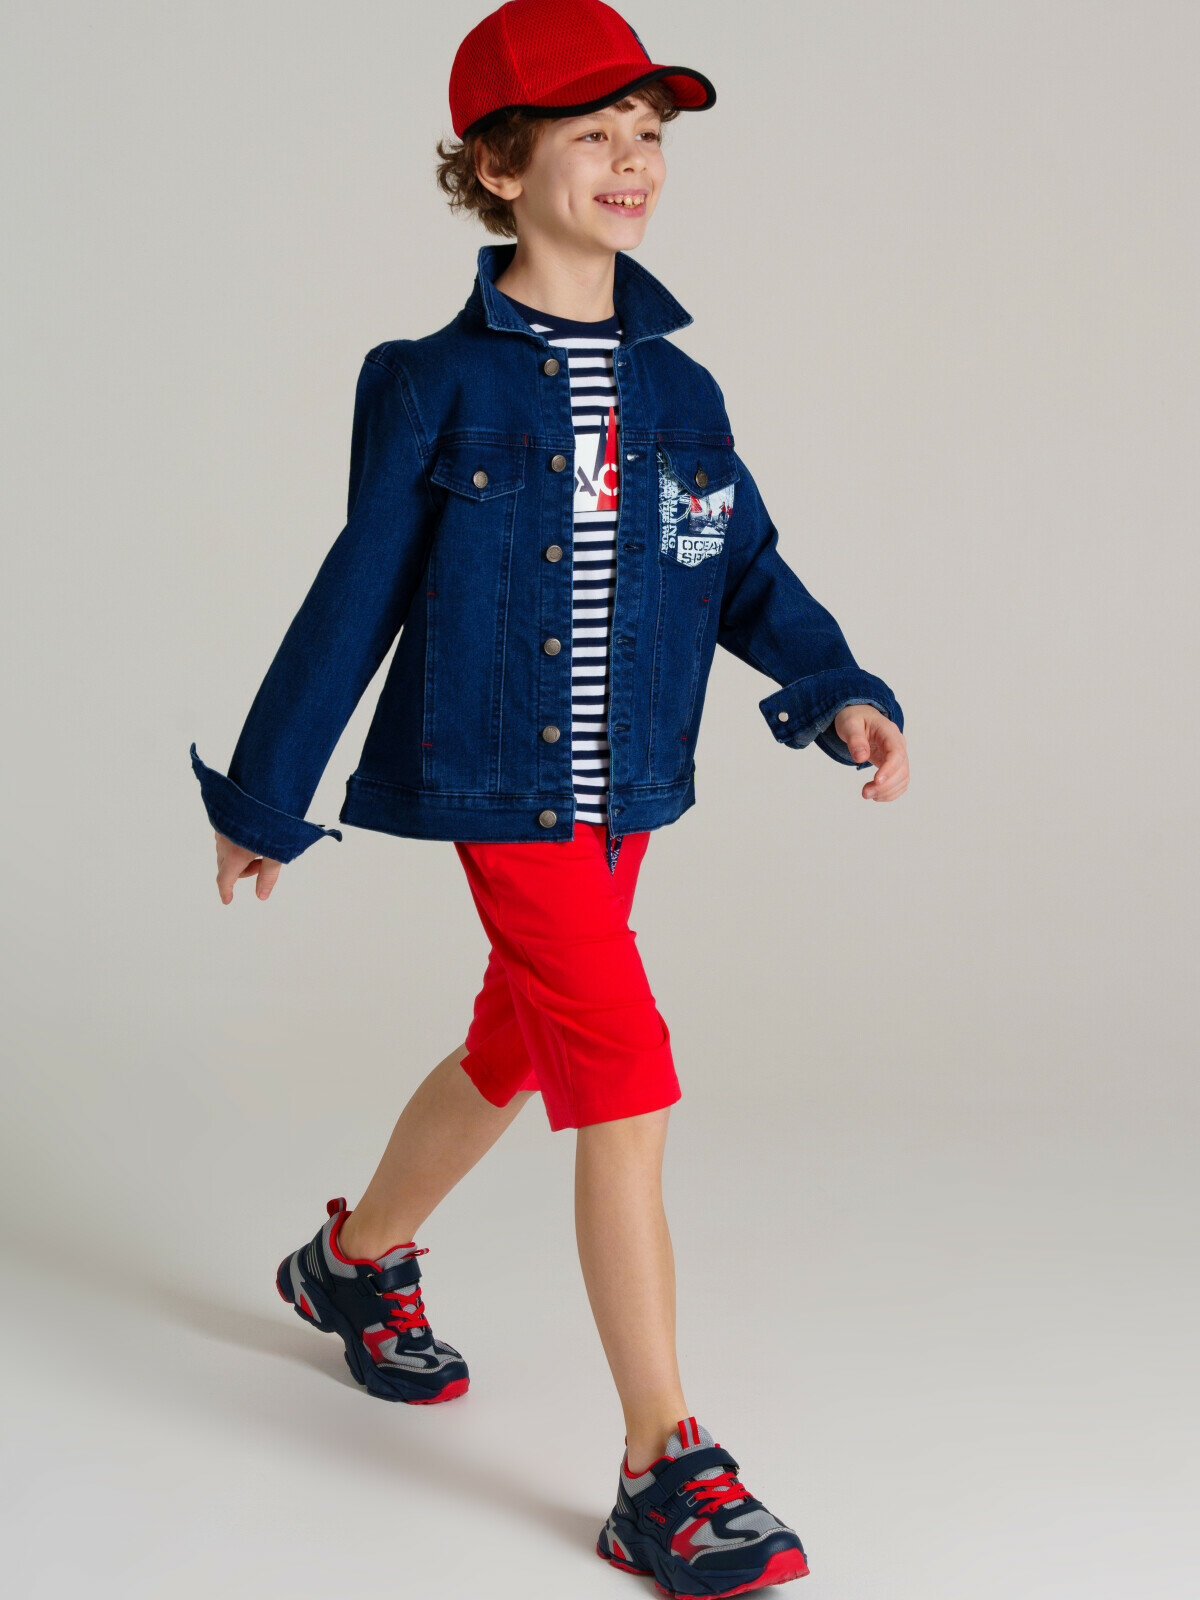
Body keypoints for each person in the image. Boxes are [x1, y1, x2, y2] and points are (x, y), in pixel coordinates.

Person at [190, 2, 909, 1593]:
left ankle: (353, 1263)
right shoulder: (429, 385)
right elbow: (357, 590)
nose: (633, 161)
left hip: (627, 789)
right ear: (502, 168)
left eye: (650, 135)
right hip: (498, 783)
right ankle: (664, 1465)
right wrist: (267, 790)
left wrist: (837, 683)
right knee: (628, 1081)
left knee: (515, 1046)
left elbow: (740, 565)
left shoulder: (681, 391)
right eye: (596, 134)